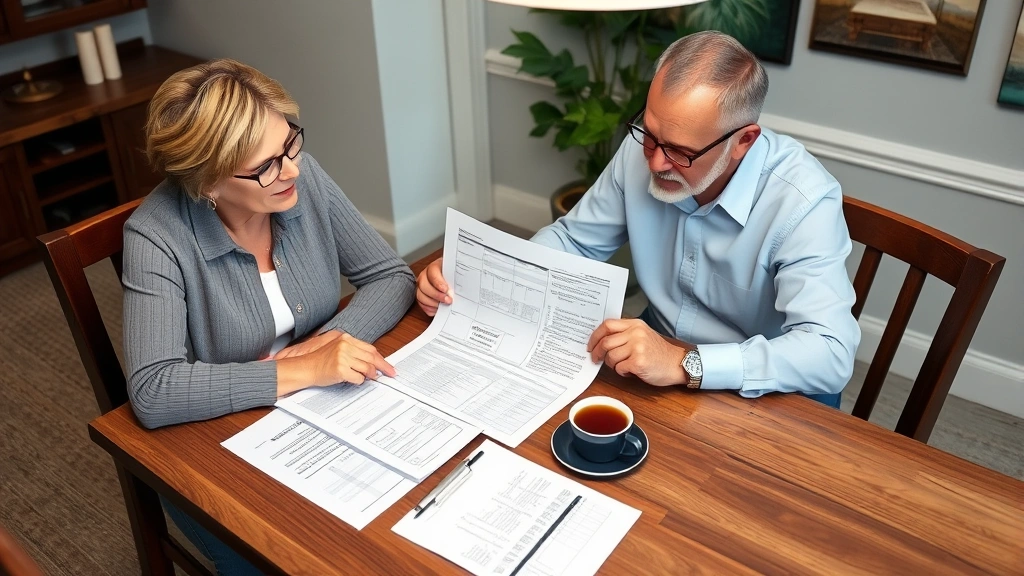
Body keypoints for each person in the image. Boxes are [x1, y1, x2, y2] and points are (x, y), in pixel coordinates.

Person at [416, 31, 860, 407]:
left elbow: (829, 352)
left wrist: (685, 363)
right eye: (650, 134)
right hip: (659, 350)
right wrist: (481, 276)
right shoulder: (644, 150)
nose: (655, 162)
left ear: (743, 141)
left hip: (769, 387)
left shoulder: (804, 202)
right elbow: (574, 242)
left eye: (681, 152)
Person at [123, 59, 415, 574]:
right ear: (207, 182)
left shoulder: (301, 179)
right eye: (266, 166)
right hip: (211, 446)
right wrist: (301, 370)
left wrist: (329, 341)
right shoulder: (155, 236)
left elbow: (391, 277)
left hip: (315, 414)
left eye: (290, 144)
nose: (292, 169)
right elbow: (153, 390)